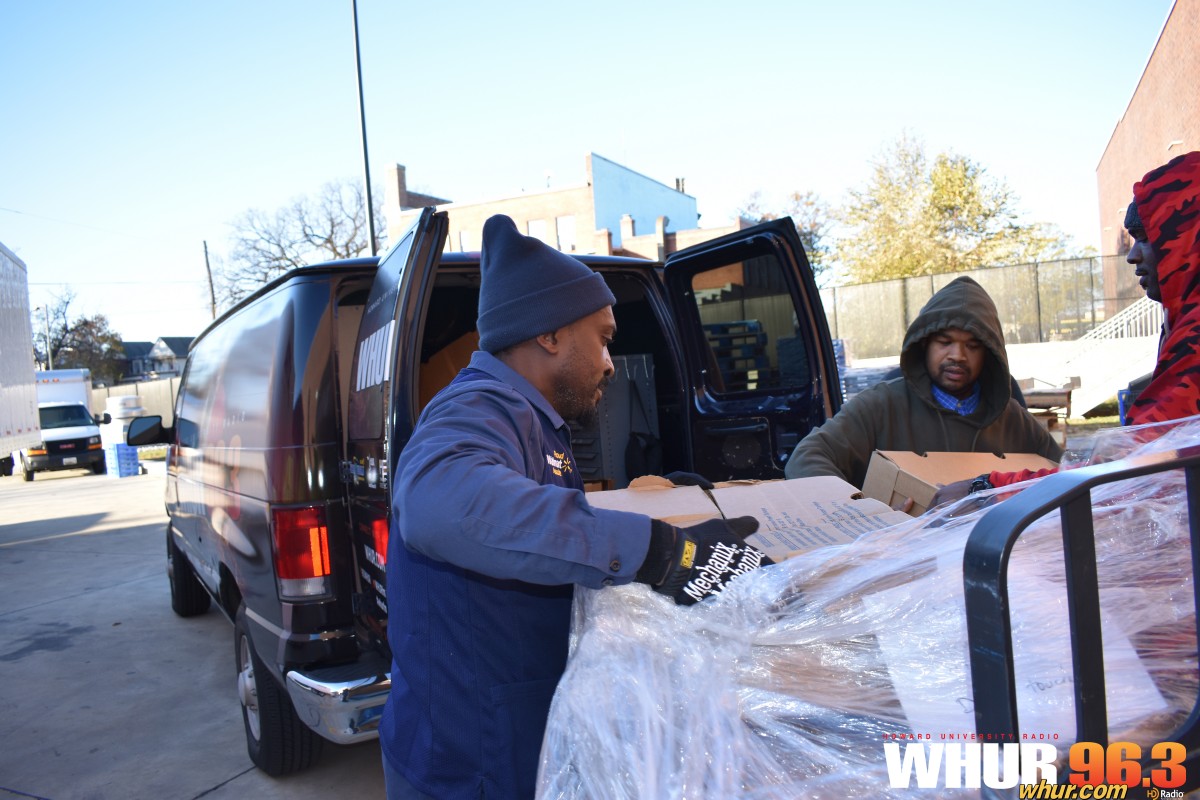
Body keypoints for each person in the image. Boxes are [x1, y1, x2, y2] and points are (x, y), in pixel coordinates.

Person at [378, 214, 771, 799]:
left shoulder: (535, 420)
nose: (611, 362)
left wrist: (661, 513)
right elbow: (440, 502)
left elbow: (542, 528)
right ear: (550, 334)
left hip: (514, 740)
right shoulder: (478, 409)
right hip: (471, 765)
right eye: (604, 338)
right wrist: (659, 552)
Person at [933, 149, 1200, 502]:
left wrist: (987, 490)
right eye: (945, 342)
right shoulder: (879, 409)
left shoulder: (1011, 415)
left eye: (1146, 237)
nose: (1132, 254)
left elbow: (1125, 474)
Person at [784, 276, 1063, 494]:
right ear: (925, 344)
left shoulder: (1014, 420)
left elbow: (1066, 477)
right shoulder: (881, 405)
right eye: (945, 342)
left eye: (973, 346)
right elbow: (807, 458)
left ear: (989, 354)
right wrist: (861, 511)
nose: (957, 355)